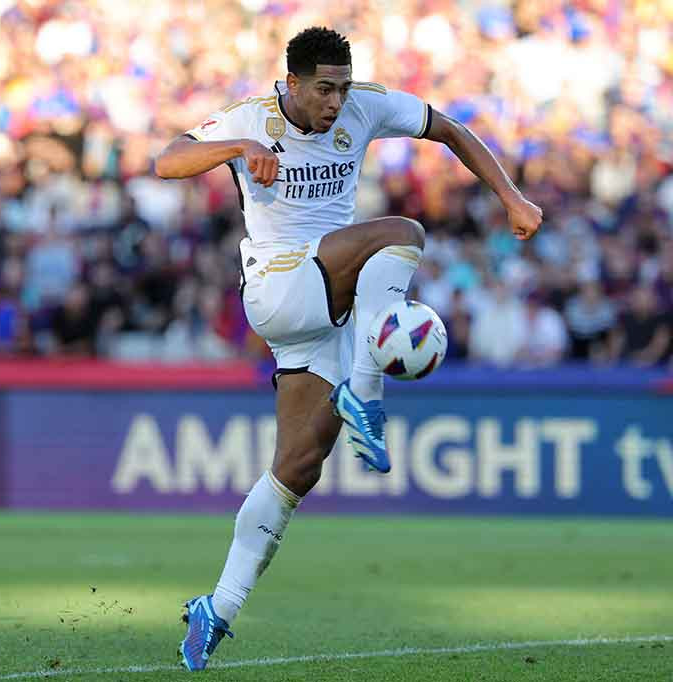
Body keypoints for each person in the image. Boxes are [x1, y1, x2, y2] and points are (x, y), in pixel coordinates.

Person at [154, 26, 542, 670]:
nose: (336, 102)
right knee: (403, 231)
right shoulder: (251, 117)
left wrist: (511, 194)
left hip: (326, 308)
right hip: (279, 286)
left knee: (295, 469)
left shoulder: (364, 103)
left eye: (341, 88)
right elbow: (166, 161)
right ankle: (367, 388)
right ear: (294, 82)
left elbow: (448, 128)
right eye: (324, 90)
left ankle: (216, 607)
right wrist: (241, 146)